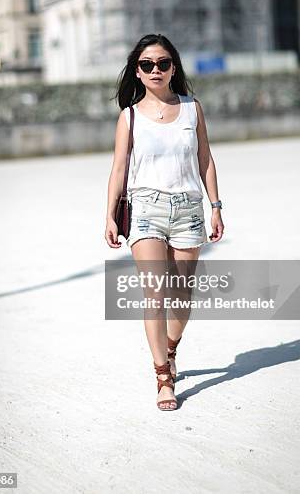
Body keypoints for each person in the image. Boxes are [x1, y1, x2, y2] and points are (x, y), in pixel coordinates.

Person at [105, 33, 224, 411]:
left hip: (189, 209)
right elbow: (119, 167)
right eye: (146, 65)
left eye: (162, 63)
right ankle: (162, 376)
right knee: (155, 293)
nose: (155, 70)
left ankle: (170, 348)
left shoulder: (192, 108)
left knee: (182, 296)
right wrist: (109, 214)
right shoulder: (130, 117)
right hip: (145, 209)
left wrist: (216, 206)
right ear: (137, 73)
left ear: (174, 67)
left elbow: (205, 158)